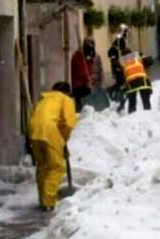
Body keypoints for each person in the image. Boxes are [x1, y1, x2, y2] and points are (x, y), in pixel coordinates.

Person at [29, 82, 77, 212]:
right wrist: (63, 139)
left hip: (34, 132)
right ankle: (49, 202)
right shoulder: (65, 99)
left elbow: (34, 117)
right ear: (66, 92)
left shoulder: (43, 99)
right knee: (56, 167)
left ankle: (42, 200)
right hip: (50, 131)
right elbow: (68, 123)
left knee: (42, 166)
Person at [71, 38, 104, 112]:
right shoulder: (78, 56)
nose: (91, 49)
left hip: (91, 85)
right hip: (79, 87)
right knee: (82, 109)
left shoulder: (95, 55)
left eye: (92, 46)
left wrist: (97, 81)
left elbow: (99, 70)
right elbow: (79, 71)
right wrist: (87, 80)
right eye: (89, 46)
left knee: (91, 108)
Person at [121, 48, 153, 113]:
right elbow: (150, 61)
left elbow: (121, 76)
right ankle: (149, 116)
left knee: (132, 103)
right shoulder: (137, 56)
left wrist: (123, 87)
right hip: (143, 82)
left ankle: (132, 118)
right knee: (146, 101)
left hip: (131, 84)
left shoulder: (122, 62)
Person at [108, 24, 129, 112]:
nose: (127, 33)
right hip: (118, 66)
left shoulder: (121, 39)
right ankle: (120, 103)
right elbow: (112, 53)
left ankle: (120, 102)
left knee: (122, 84)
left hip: (120, 66)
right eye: (126, 31)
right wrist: (117, 66)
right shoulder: (119, 40)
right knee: (122, 85)